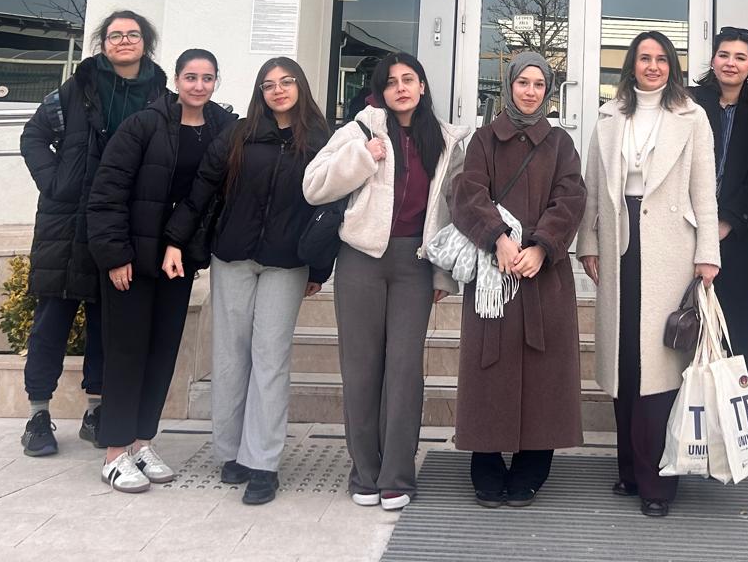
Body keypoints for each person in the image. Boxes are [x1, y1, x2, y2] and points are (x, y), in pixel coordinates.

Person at [161, 56, 332, 507]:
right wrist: (176, 240)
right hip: (233, 257)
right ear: (260, 92)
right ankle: (231, 451)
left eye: (286, 82)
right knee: (230, 356)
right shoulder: (238, 133)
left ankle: (263, 462)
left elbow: (332, 207)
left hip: (287, 262)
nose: (278, 90)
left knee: (270, 358)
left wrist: (319, 268)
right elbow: (202, 187)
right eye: (268, 84)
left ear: (300, 86)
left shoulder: (321, 139)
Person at [304, 52, 470, 511]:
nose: (401, 87)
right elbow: (313, 185)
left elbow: (450, 212)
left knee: (404, 370)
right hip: (360, 259)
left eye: (409, 79)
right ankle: (364, 472)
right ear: (381, 90)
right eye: (392, 81)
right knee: (360, 368)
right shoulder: (360, 130)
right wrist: (363, 157)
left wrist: (442, 272)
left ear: (422, 86)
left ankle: (396, 474)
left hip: (414, 262)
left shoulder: (446, 140)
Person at [576, 31, 719, 519]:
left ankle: (657, 482)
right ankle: (629, 470)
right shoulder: (610, 115)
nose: (653, 66)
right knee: (625, 359)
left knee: (658, 362)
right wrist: (588, 242)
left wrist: (708, 254)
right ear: (631, 66)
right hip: (619, 241)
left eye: (661, 59)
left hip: (671, 247)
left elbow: (705, 190)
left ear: (672, 66)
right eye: (644, 58)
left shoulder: (692, 116)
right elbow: (593, 186)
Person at [86, 48, 237, 493]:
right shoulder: (144, 125)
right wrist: (115, 256)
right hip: (132, 259)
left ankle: (141, 443)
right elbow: (107, 192)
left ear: (216, 82)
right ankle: (115, 453)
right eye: (191, 77)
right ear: (176, 79)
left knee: (161, 353)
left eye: (207, 78)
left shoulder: (223, 129)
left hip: (178, 259)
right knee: (126, 353)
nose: (199, 86)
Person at [18, 9, 164, 458]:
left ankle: (96, 411)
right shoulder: (75, 89)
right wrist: (55, 182)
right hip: (68, 223)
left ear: (145, 43)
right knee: (52, 321)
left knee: (107, 324)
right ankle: (38, 415)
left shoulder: (160, 95)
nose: (124, 41)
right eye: (115, 35)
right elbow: (33, 136)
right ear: (103, 43)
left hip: (120, 224)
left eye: (133, 35)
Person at [449, 52, 587, 508]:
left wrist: (543, 246)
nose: (530, 91)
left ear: (549, 91)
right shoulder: (484, 139)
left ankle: (532, 467)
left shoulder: (560, 143)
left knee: (545, 374)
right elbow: (469, 193)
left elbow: (571, 197)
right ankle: (486, 463)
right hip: (496, 274)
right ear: (508, 85)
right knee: (490, 370)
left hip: (544, 276)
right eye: (522, 82)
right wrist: (499, 240)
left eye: (538, 84)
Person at [690, 26, 748, 375]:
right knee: (686, 330)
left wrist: (724, 223)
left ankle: (731, 408)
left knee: (734, 338)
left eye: (740, 57)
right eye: (723, 55)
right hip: (685, 228)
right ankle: (684, 406)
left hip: (736, 238)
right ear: (713, 60)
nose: (730, 63)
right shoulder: (687, 104)